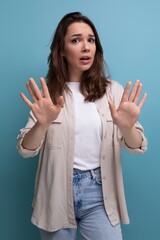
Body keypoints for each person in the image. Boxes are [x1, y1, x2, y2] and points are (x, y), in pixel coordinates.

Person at [17, 12, 148, 240]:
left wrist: (127, 128)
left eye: (91, 40)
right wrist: (42, 124)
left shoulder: (113, 91)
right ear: (62, 50)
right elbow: (25, 149)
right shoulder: (48, 95)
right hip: (56, 194)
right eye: (76, 40)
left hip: (100, 193)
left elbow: (138, 146)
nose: (86, 47)